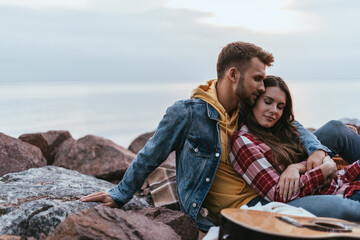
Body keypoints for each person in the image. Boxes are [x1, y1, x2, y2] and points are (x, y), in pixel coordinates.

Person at [81, 41, 360, 231]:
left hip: (274, 172)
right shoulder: (188, 114)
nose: (263, 87)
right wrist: (119, 194)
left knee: (337, 130)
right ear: (234, 74)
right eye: (258, 78)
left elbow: (291, 124)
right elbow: (150, 153)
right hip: (259, 202)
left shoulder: (245, 104)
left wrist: (316, 152)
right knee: (348, 210)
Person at [230, 75, 360, 205]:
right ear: (253, 101)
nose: (274, 111)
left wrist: (299, 166)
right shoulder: (243, 141)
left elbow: (318, 159)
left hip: (340, 181)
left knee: (335, 127)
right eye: (268, 102)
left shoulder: (282, 128)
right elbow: (278, 194)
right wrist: (324, 169)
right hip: (332, 194)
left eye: (280, 107)